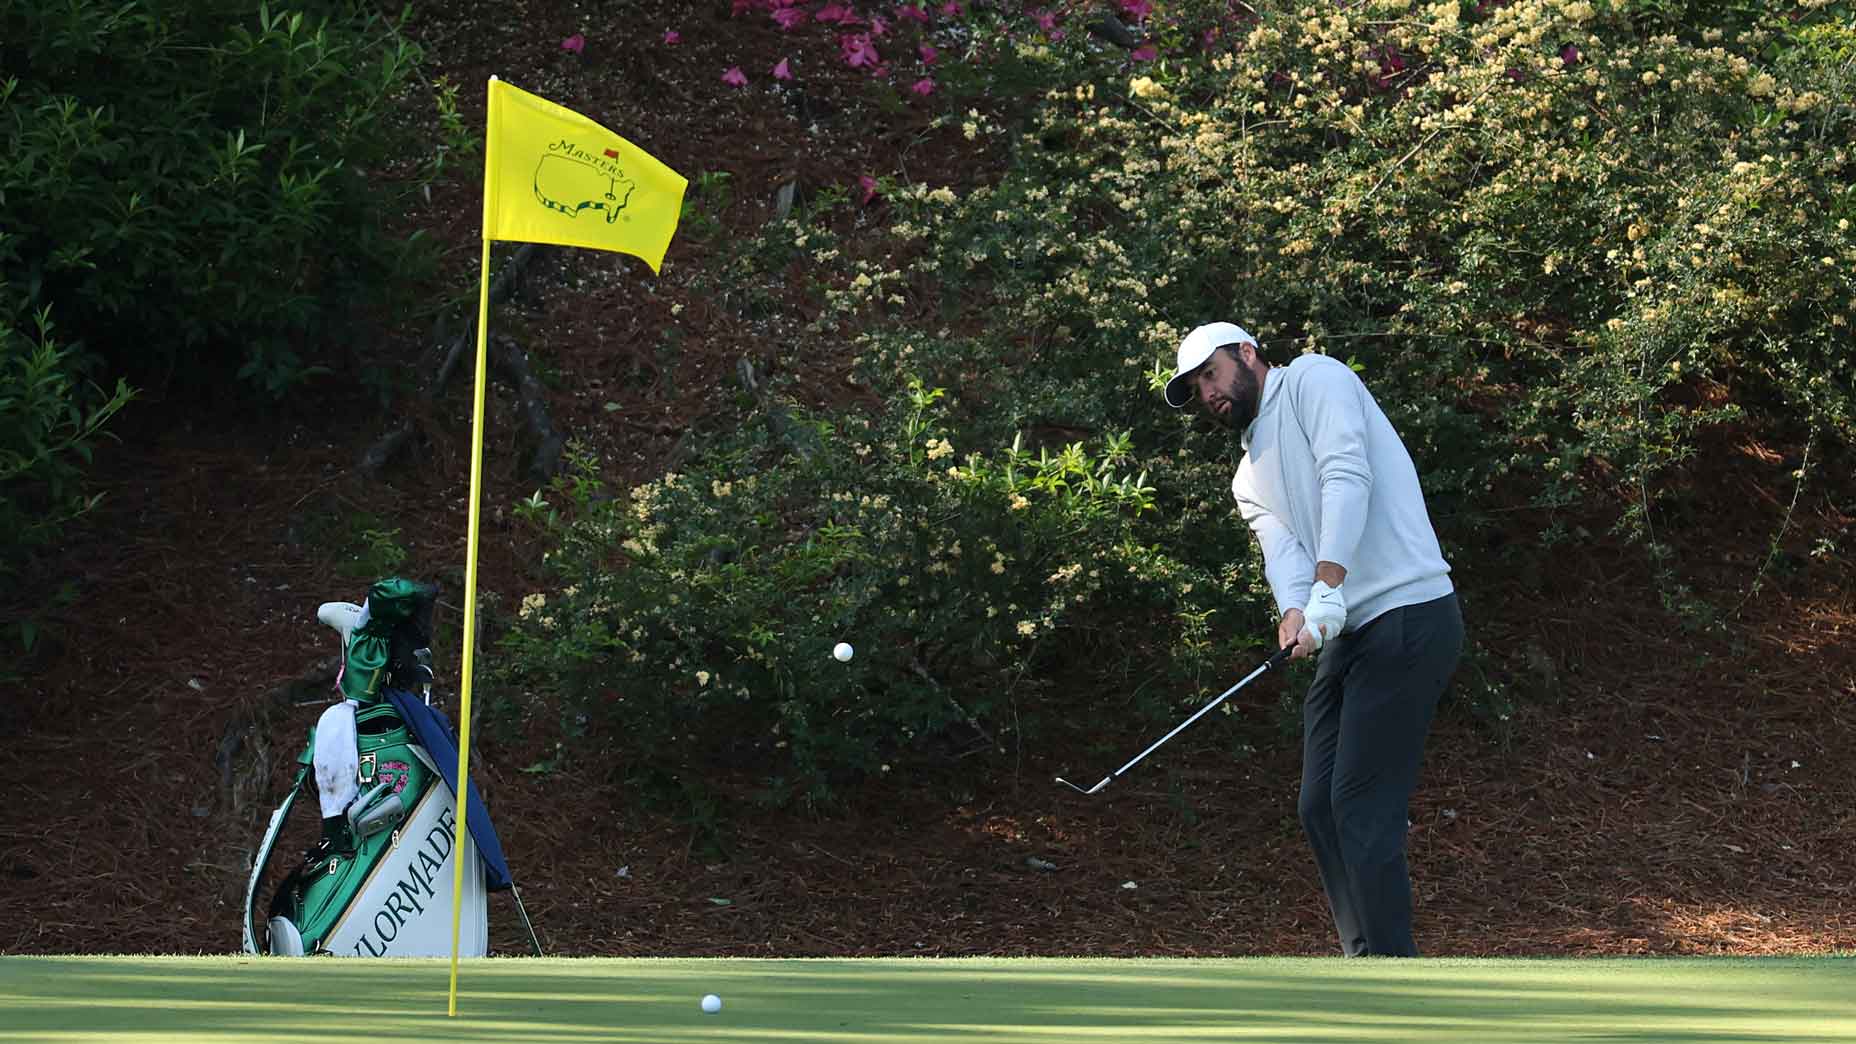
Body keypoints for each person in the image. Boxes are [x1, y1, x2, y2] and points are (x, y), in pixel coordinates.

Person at [1164, 321, 1463, 957]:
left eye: (1211, 374)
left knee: (1357, 801)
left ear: (1247, 353)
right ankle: (1365, 959)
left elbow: (1345, 475)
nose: (1209, 393)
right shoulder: (1248, 476)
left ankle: (1394, 972)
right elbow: (1285, 556)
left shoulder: (1314, 381)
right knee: (1317, 806)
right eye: (1197, 388)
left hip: (1412, 610)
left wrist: (1330, 585)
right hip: (1351, 631)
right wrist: (1296, 611)